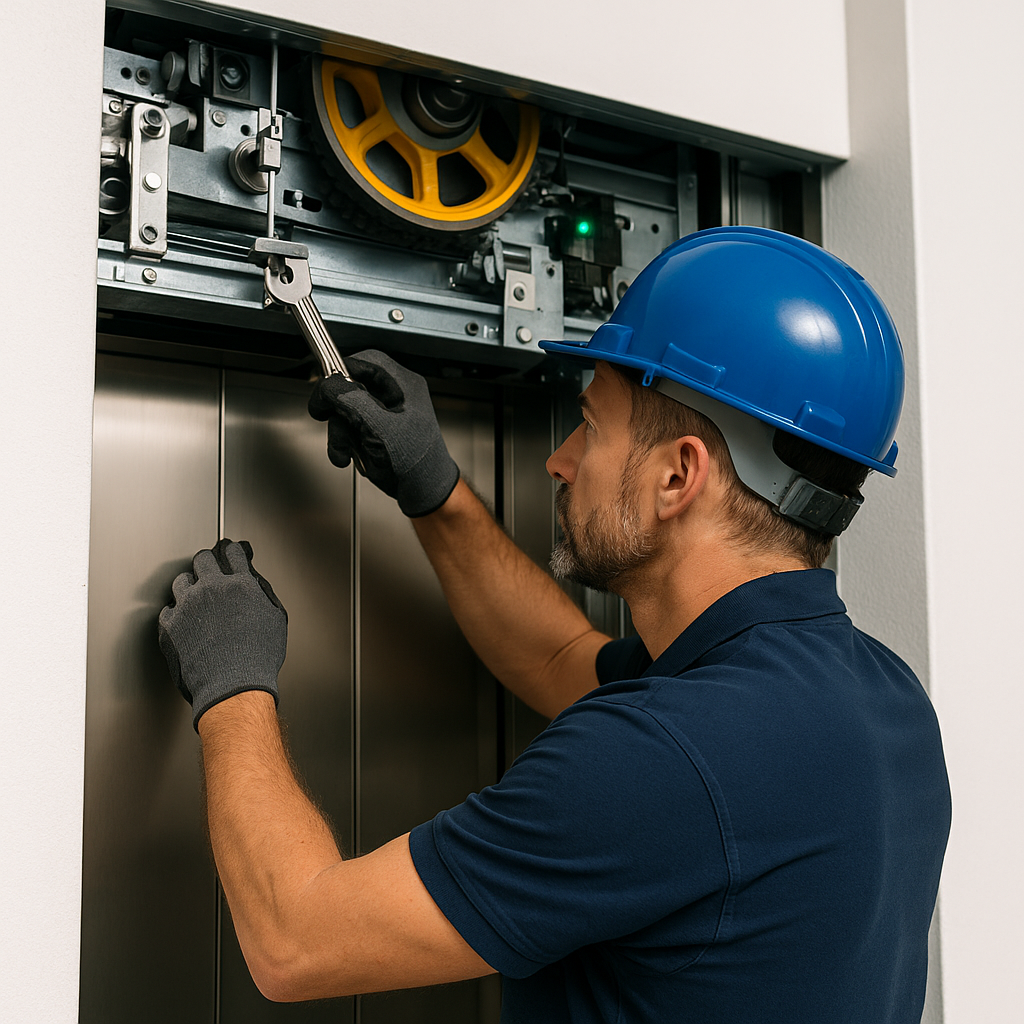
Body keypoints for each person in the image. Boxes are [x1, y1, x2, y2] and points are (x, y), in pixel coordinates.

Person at [158, 226, 950, 1023]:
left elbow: (296, 940)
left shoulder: (664, 756)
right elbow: (559, 656)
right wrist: (434, 489)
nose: (560, 459)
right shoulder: (885, 700)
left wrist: (234, 682)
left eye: (591, 426)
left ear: (679, 475)